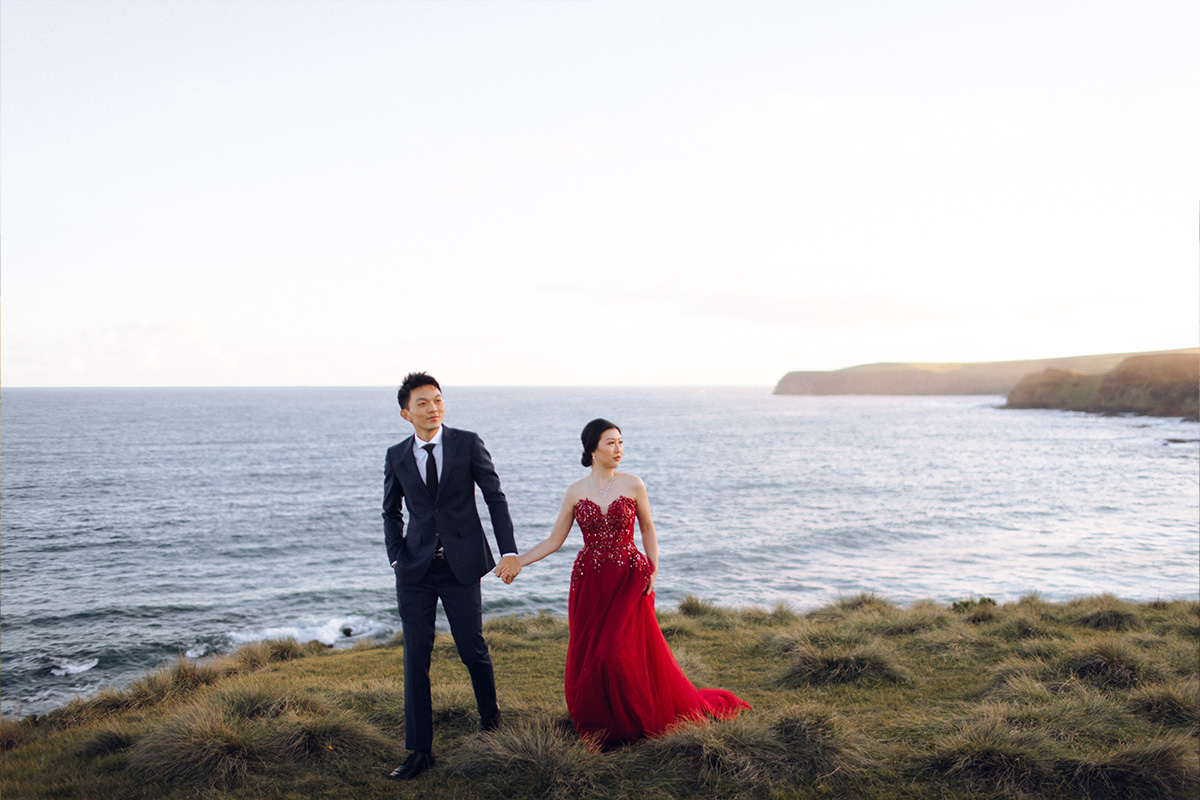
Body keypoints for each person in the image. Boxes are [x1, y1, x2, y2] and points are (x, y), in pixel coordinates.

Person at [506, 418, 749, 748]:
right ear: (592, 449)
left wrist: (654, 568)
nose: (618, 448)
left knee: (616, 652)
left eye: (621, 442)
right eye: (610, 443)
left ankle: (634, 719)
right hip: (590, 582)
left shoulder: (634, 484)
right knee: (591, 655)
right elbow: (554, 540)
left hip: (629, 578)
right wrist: (519, 561)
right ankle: (601, 725)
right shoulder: (575, 492)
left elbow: (648, 528)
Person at [382, 372, 522, 780]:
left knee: (471, 647)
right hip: (414, 570)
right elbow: (391, 510)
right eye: (423, 403)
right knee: (415, 656)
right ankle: (420, 751)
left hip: (462, 566)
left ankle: (491, 722)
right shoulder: (396, 455)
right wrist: (395, 557)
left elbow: (494, 497)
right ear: (406, 413)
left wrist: (508, 550)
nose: (433, 408)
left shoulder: (467, 442)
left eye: (438, 400)